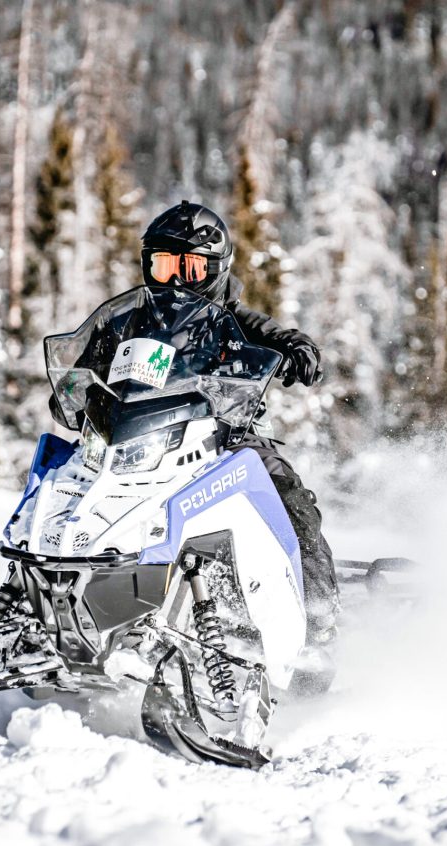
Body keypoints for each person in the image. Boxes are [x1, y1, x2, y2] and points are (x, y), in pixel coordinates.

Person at [129, 201, 342, 685]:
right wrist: (77, 394)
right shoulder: (129, 323)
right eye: (164, 265)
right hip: (143, 447)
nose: (175, 281)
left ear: (214, 271)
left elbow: (274, 334)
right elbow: (89, 366)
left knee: (291, 503)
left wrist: (295, 349)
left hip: (226, 440)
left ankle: (320, 631)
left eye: (189, 267)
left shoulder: (230, 318)